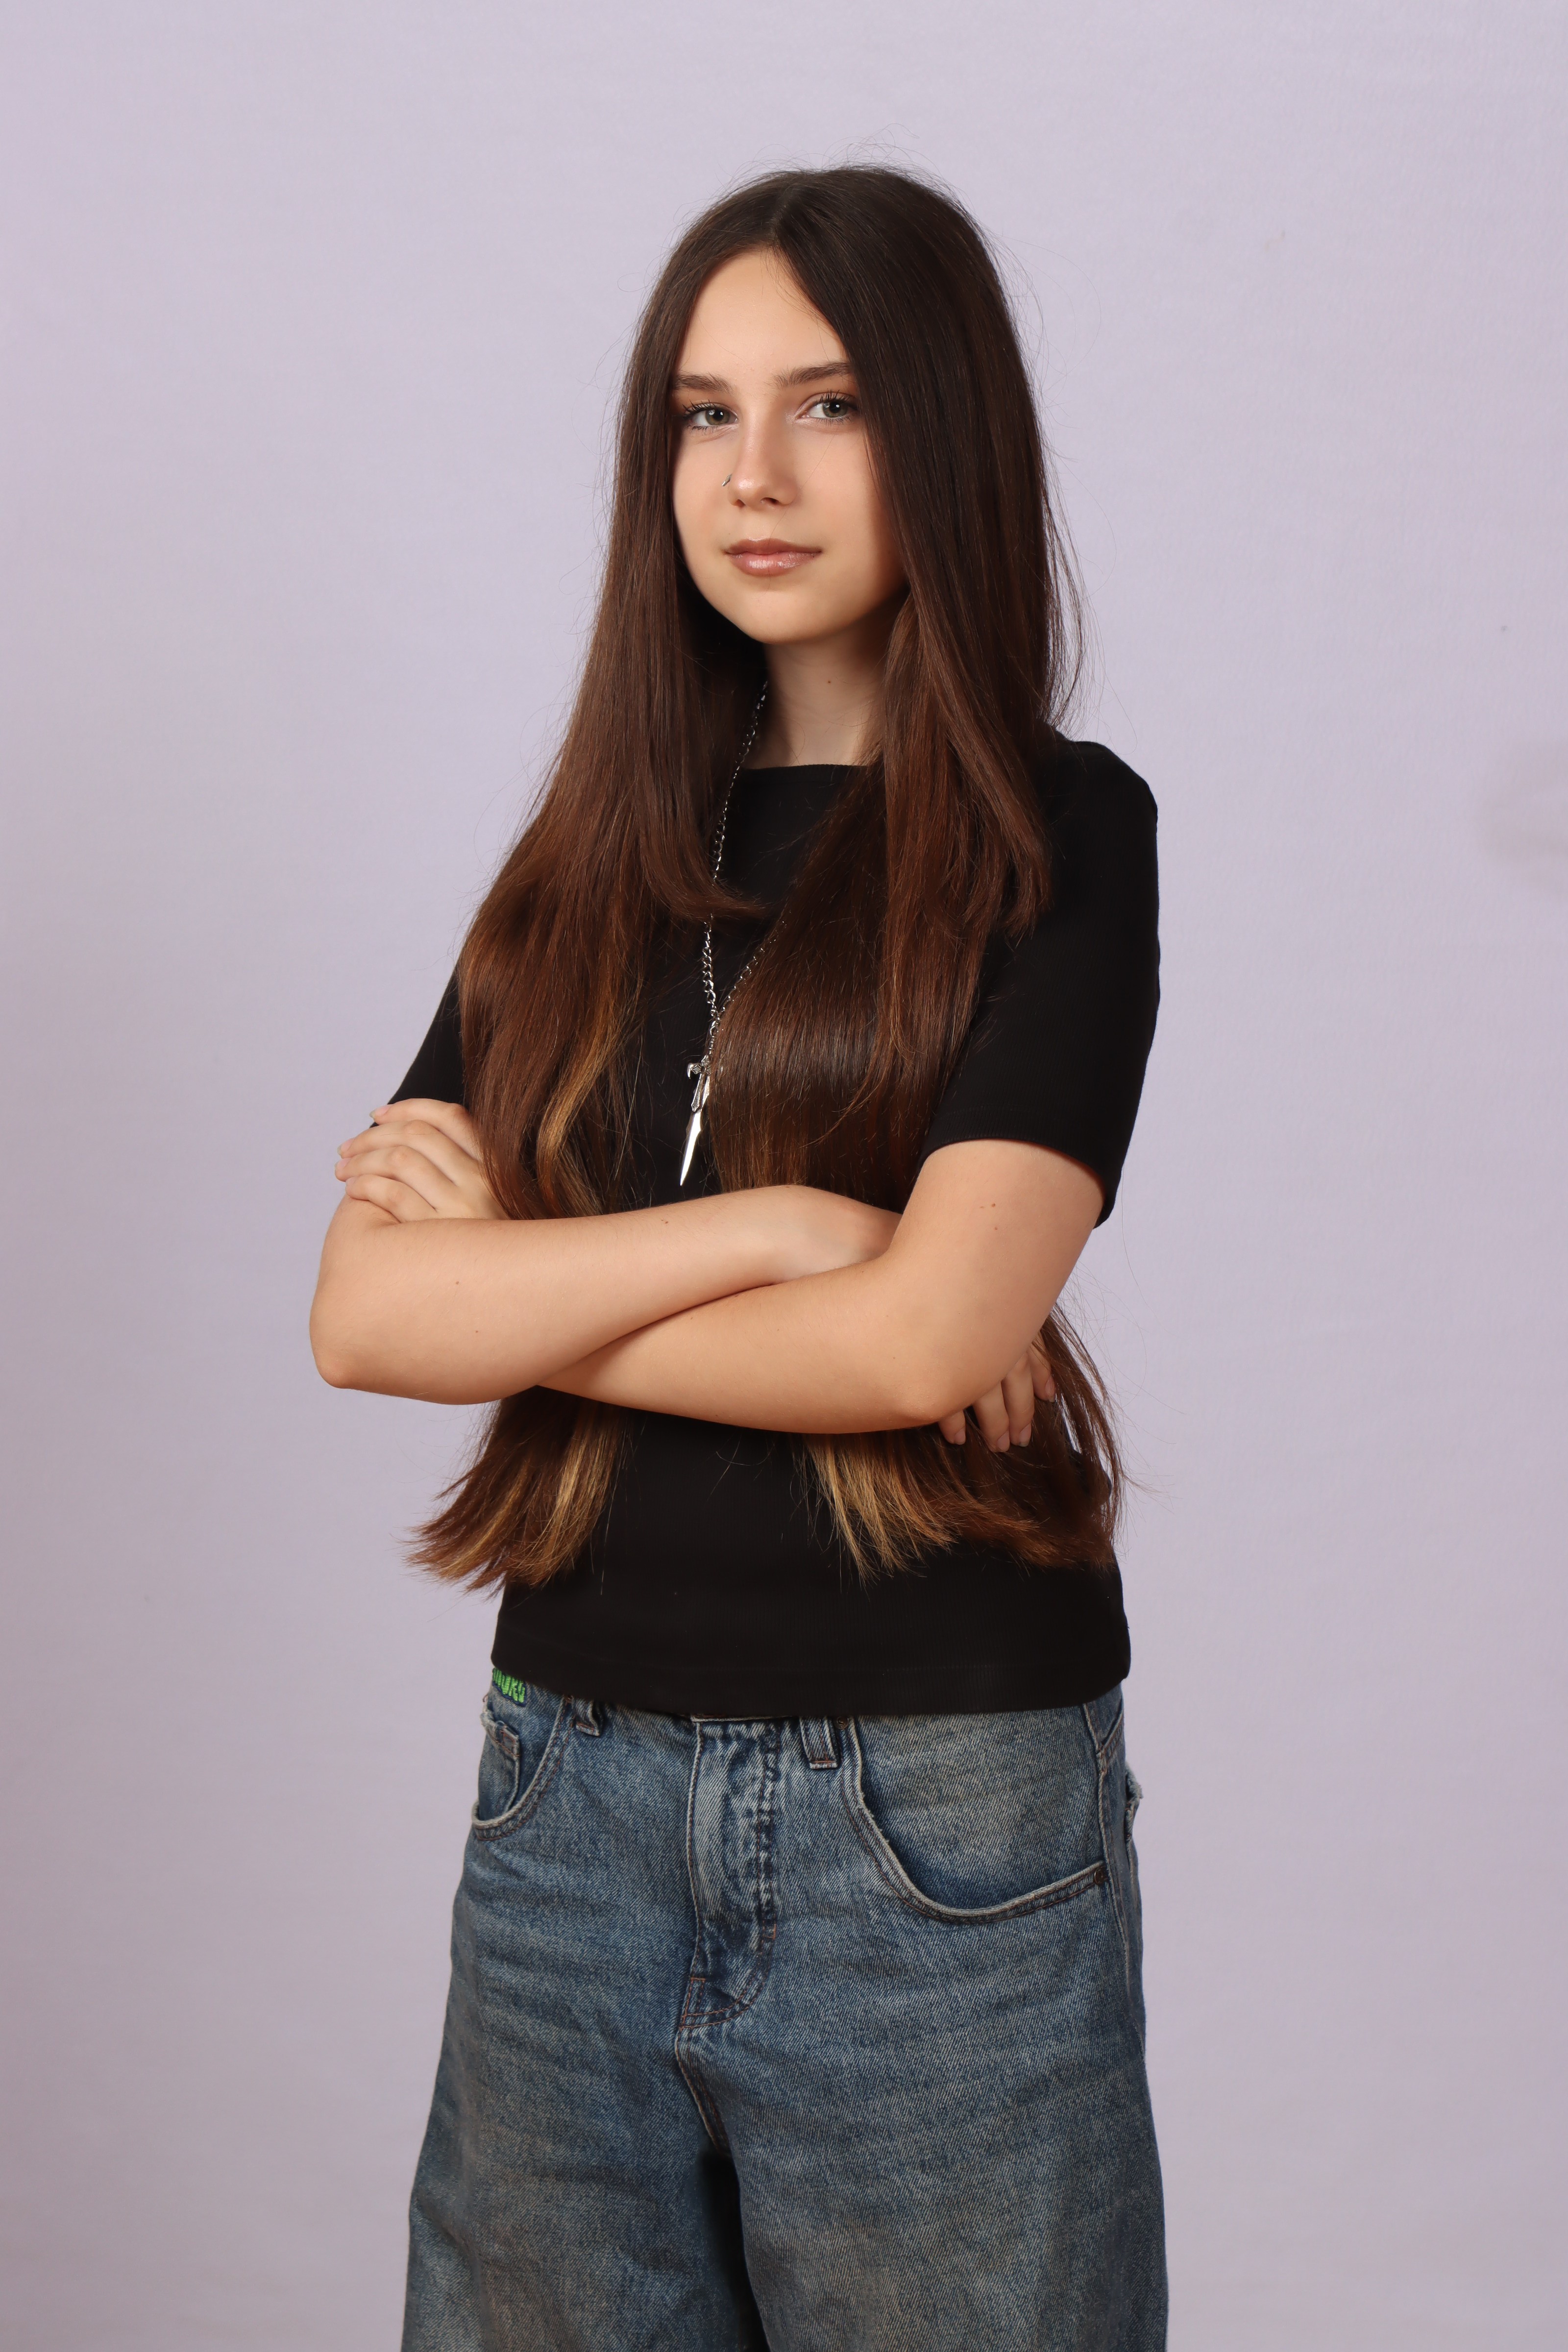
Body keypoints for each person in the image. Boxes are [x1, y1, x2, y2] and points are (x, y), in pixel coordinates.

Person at [312, 164, 1165, 2352]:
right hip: (562, 1789)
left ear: (946, 436)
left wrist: (533, 1286)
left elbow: (924, 1344)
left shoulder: (1058, 834)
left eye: (829, 404)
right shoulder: (581, 864)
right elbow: (368, 1317)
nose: (752, 474)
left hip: (930, 1817)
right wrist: (785, 1234)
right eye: (703, 413)